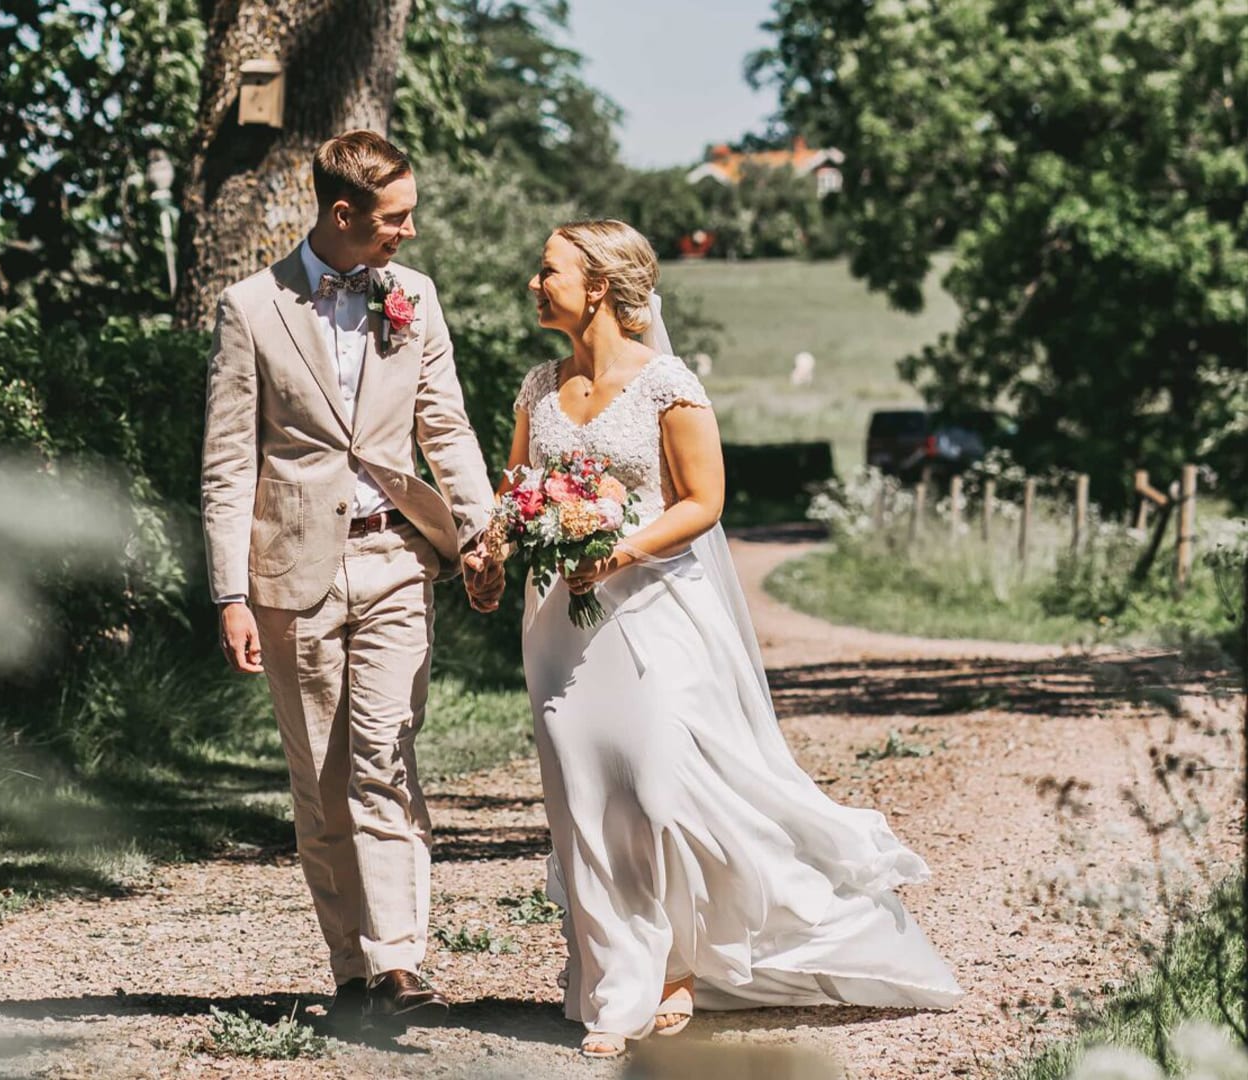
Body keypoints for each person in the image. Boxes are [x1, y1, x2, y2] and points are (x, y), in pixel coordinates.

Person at [505, 219, 962, 1058]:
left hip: (654, 613)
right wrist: (498, 545)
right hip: (559, 630)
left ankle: (681, 961)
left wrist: (616, 550)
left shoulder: (667, 385)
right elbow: (519, 489)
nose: (535, 284)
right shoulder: (540, 387)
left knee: (655, 793)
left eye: (548, 271)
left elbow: (703, 501)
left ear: (598, 285)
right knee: (581, 801)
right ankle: (620, 984)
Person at [199, 130, 504, 1025]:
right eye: (395, 218)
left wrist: (481, 530)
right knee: (322, 778)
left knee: (384, 755)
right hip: (290, 570)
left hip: (396, 556)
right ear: (343, 214)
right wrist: (229, 593)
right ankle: (352, 968)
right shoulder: (250, 308)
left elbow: (445, 426)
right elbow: (228, 463)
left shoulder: (416, 298)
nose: (408, 232)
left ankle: (403, 962)